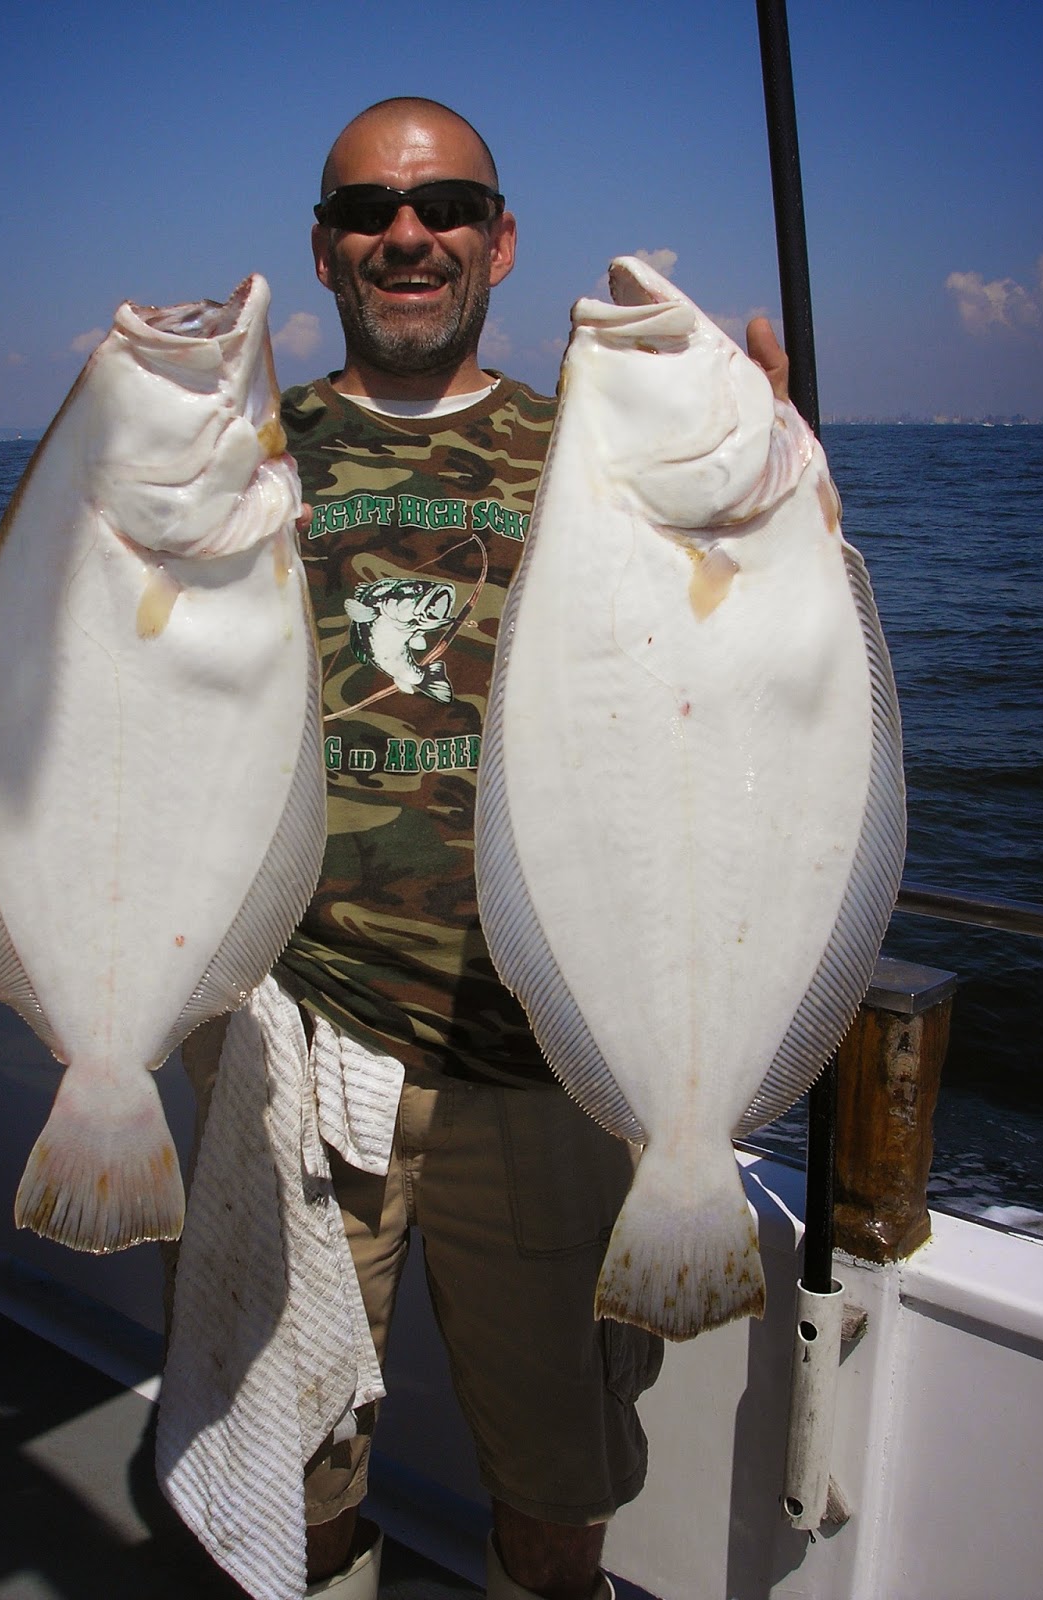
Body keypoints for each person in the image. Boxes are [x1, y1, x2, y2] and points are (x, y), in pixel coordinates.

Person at [183, 95, 789, 1600]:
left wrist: (780, 508)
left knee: (557, 1497)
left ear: (499, 242)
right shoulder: (240, 460)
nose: (410, 235)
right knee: (294, 1471)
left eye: (447, 205)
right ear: (322, 250)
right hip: (307, 1060)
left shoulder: (598, 452)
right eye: (370, 213)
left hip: (550, 1069)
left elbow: (754, 691)